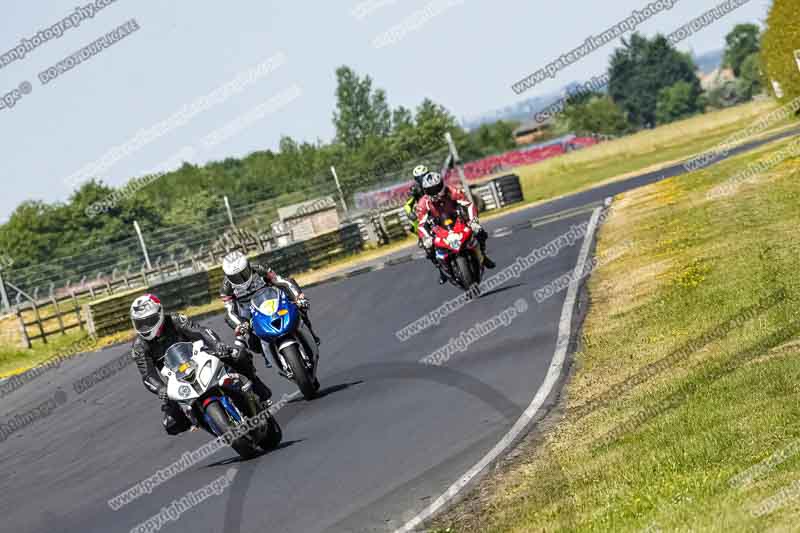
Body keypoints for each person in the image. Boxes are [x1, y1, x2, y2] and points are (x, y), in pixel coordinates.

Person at [130, 294, 273, 436]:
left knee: (238, 356)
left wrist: (217, 345)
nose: (145, 327)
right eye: (140, 323)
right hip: (176, 378)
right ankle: (206, 424)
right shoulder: (139, 347)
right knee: (171, 423)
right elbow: (147, 375)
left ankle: (259, 390)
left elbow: (200, 331)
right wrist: (160, 388)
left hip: (199, 356)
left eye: (149, 321)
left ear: (160, 313)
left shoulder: (175, 319)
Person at [220, 251, 321, 359]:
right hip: (248, 308)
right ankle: (265, 354)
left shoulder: (259, 268)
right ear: (228, 276)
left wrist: (298, 297)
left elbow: (281, 281)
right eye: (235, 277)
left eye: (243, 273)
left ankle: (310, 332)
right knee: (251, 339)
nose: (241, 279)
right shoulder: (226, 288)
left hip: (270, 296)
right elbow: (230, 310)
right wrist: (241, 324)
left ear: (248, 266)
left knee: (299, 306)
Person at [416, 172, 496, 282]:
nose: (434, 192)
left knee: (480, 232)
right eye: (430, 190)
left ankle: (483, 256)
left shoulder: (452, 191)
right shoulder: (422, 203)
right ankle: (441, 269)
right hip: (437, 226)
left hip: (457, 220)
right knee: (428, 248)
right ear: (425, 191)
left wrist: (473, 221)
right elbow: (421, 224)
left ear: (442, 185)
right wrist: (426, 237)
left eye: (436, 188)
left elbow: (469, 205)